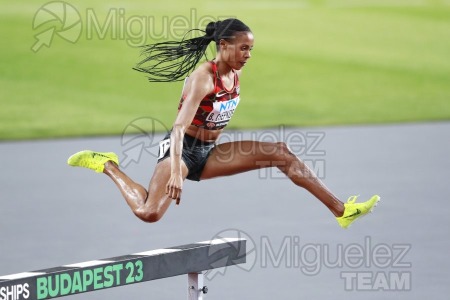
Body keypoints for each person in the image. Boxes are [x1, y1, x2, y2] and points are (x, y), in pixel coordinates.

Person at [67, 19, 379, 229]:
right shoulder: (204, 78)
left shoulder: (235, 72)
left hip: (209, 150)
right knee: (149, 213)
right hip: (182, 151)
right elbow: (177, 128)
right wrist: (176, 170)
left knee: (282, 153)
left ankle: (342, 211)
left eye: (251, 49)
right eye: (244, 48)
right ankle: (107, 165)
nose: (248, 55)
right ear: (224, 45)